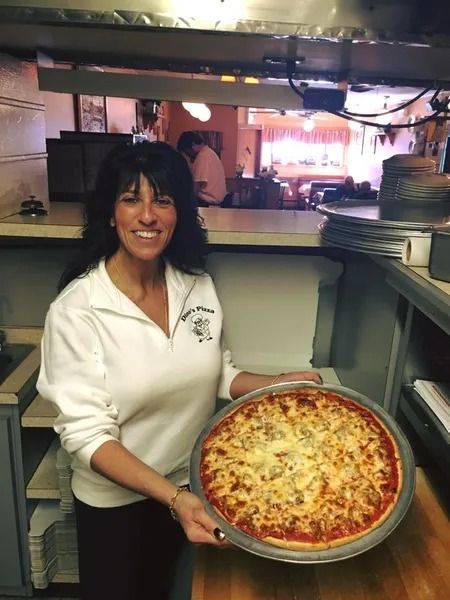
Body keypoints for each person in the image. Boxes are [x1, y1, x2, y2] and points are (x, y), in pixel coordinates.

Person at [37, 141, 322, 600]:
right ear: (111, 214)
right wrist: (172, 499)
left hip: (195, 485)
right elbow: (88, 437)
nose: (147, 215)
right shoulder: (77, 310)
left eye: (162, 200)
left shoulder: (196, 285)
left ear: (179, 213)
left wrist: (275, 384)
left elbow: (217, 373)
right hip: (118, 506)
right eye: (131, 199)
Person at [176, 131, 226, 207]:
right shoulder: (209, 153)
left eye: (187, 152)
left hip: (206, 204)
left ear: (192, 146)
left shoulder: (203, 157)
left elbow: (196, 186)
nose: (188, 155)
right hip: (214, 204)